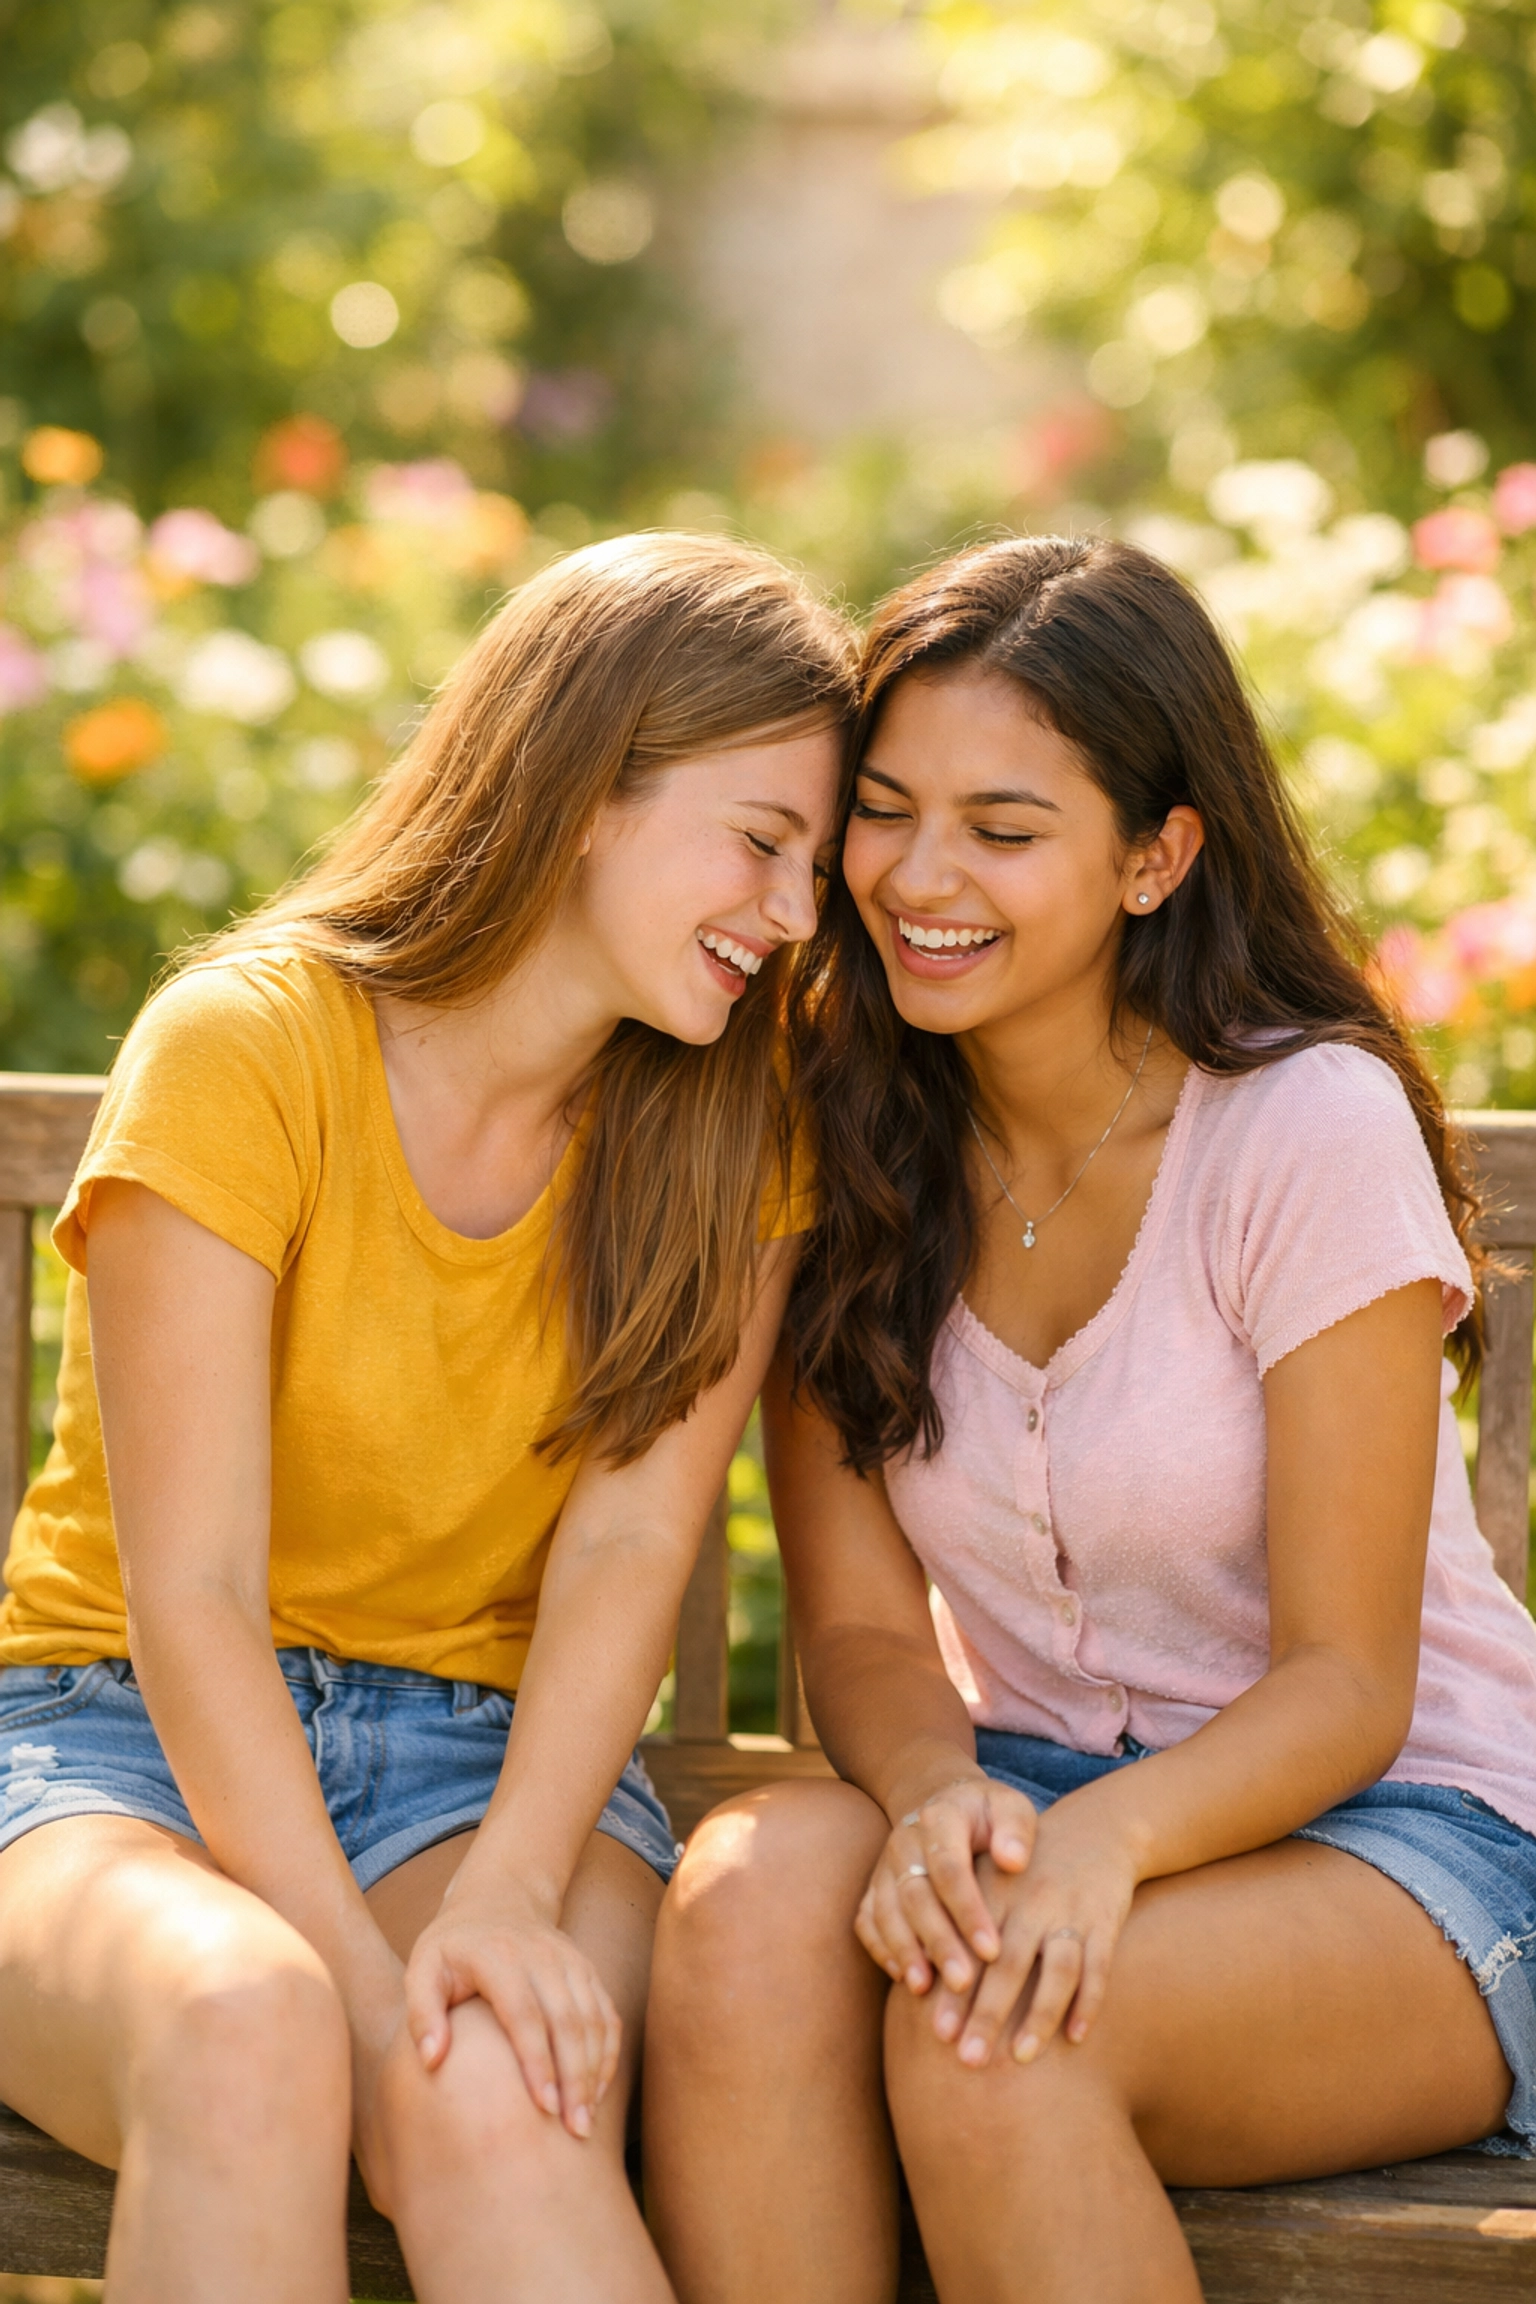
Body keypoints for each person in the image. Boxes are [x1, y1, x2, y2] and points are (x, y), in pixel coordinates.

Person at [643, 535, 1536, 2304]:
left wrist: (1097, 1847)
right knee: (745, 1908)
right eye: (883, 812)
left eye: (1005, 826)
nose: (918, 877)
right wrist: (929, 1801)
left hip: (1406, 1840)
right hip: (1024, 1797)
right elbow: (854, 1627)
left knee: (995, 2022)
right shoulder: (842, 1138)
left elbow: (1348, 1684)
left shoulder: (1300, 1131)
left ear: (1157, 854)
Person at [0, 532, 851, 2304]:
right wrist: (362, 2000)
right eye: (764, 843)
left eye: (814, 872)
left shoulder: (726, 1131)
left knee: (479, 2096)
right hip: (117, 1745)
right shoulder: (249, 1050)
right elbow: (196, 1600)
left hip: (497, 1774)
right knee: (256, 2033)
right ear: (586, 786)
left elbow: (629, 1543)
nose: (791, 917)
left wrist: (507, 1900)